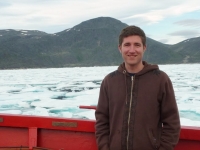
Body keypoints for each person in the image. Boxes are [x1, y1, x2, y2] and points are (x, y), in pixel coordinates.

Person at [95, 25, 180, 150]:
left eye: (137, 45)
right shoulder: (110, 81)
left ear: (144, 48)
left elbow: (172, 123)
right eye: (127, 45)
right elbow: (102, 121)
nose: (132, 50)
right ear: (120, 48)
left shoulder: (160, 79)